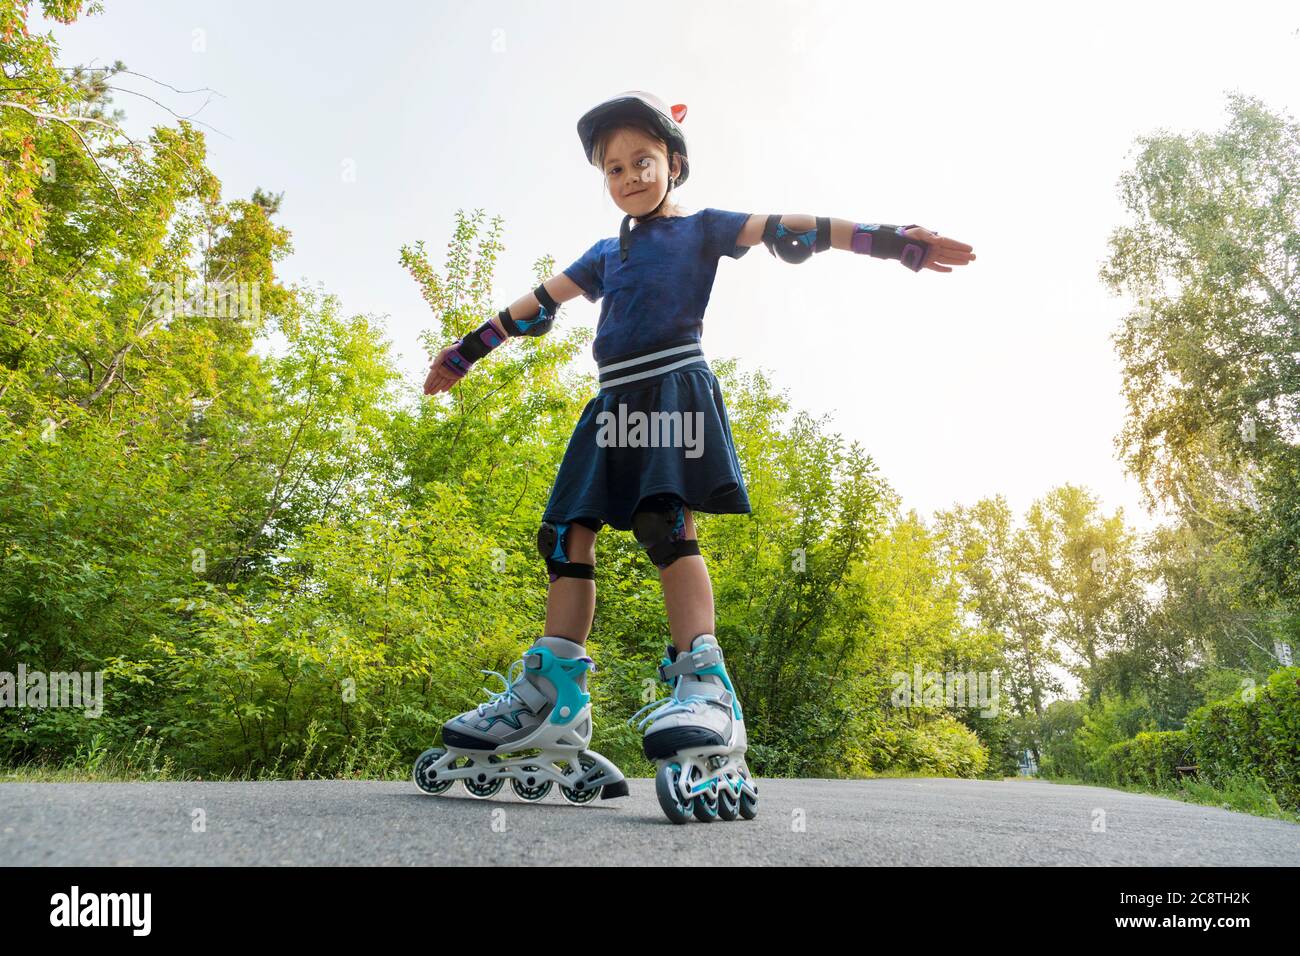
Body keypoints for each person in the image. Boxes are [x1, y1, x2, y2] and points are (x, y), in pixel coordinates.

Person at [421, 91, 976, 822]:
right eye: (613, 168)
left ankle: (704, 683)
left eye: (641, 161)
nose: (627, 176)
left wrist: (891, 239)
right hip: (611, 400)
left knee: (662, 522)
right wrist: (465, 353)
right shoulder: (605, 253)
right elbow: (536, 301)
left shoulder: (704, 227)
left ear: (673, 164)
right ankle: (554, 694)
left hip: (672, 385)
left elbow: (792, 225)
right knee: (563, 534)